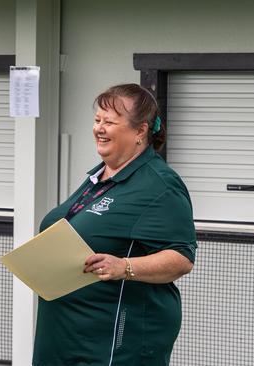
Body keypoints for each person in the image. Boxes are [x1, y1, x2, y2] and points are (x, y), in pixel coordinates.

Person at [33, 84, 197, 365]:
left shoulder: (159, 184)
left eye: (109, 122)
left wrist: (125, 267)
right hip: (66, 333)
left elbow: (181, 258)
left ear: (140, 131)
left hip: (113, 342)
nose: (99, 128)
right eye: (97, 120)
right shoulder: (99, 177)